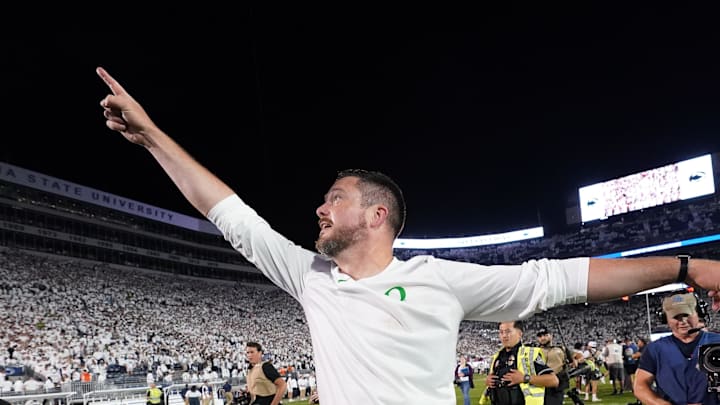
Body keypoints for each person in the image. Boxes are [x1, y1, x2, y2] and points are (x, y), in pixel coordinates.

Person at [96, 66, 720, 404]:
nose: (318, 208)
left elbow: (563, 279)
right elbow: (228, 213)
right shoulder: (312, 278)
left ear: (376, 216)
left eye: (333, 198)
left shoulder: (436, 280)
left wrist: (686, 269)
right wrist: (151, 136)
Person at [634, 292, 720, 404]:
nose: (683, 321)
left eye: (687, 315)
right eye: (676, 317)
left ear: (698, 313)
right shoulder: (655, 349)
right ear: (665, 319)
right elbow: (640, 386)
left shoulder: (717, 341)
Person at [482, 321, 558, 405]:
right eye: (501, 332)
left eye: (508, 331)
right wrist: (488, 381)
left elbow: (553, 380)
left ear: (519, 333)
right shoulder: (497, 357)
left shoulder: (528, 354)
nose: (504, 335)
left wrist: (525, 378)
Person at [536, 326, 574, 405]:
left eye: (545, 335)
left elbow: (577, 356)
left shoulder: (561, 349)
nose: (543, 338)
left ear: (551, 335)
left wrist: (575, 361)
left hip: (557, 385)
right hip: (540, 384)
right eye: (540, 336)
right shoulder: (534, 351)